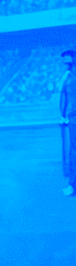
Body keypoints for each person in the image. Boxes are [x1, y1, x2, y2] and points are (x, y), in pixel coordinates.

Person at [60, 50, 76, 196]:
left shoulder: (69, 77)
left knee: (74, 152)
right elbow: (64, 97)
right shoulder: (68, 77)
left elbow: (64, 98)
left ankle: (73, 186)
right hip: (72, 118)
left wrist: (63, 116)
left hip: (73, 118)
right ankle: (72, 185)